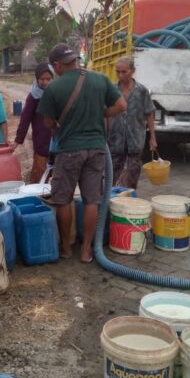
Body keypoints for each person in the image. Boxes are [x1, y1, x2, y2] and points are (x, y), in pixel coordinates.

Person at [38, 43, 126, 263]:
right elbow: (121, 106)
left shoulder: (54, 88)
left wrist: (59, 129)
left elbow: (48, 121)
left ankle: (66, 248)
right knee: (91, 201)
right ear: (75, 60)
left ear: (57, 65)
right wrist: (101, 114)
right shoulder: (99, 79)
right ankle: (87, 250)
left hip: (68, 150)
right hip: (96, 149)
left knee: (63, 199)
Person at [107, 57, 157, 189]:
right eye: (118, 72)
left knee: (132, 176)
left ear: (133, 71)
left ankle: (130, 202)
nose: (120, 75)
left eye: (124, 71)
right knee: (112, 177)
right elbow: (104, 114)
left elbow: (149, 113)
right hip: (115, 140)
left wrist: (152, 137)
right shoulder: (111, 90)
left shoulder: (141, 91)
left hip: (135, 140)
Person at [15, 63, 54, 183]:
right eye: (42, 79)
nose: (45, 82)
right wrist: (19, 139)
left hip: (57, 140)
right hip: (41, 141)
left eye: (48, 79)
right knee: (40, 171)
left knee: (56, 173)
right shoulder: (33, 97)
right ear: (37, 80)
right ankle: (36, 193)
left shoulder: (57, 93)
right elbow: (25, 119)